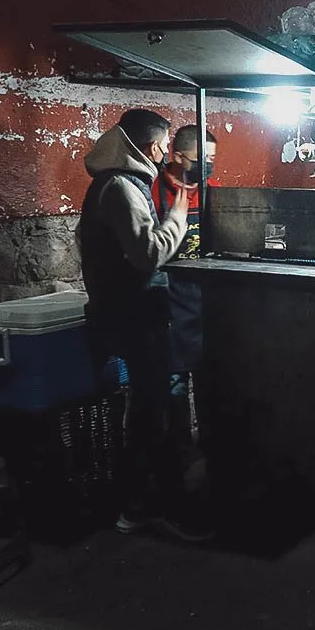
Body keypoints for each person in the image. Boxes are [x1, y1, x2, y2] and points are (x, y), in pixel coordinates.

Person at [77, 109, 209, 542]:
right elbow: (149, 253)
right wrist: (179, 211)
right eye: (164, 145)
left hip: (132, 312)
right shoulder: (119, 187)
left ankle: (143, 503)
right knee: (154, 414)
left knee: (152, 411)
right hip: (134, 315)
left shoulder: (118, 183)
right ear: (154, 148)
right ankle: (149, 507)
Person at [152, 126, 218, 462]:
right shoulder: (153, 192)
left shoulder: (212, 192)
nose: (208, 166)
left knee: (211, 382)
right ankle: (176, 457)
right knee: (173, 387)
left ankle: (211, 449)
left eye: (211, 160)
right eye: (202, 159)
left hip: (205, 304)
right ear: (177, 156)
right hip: (169, 306)